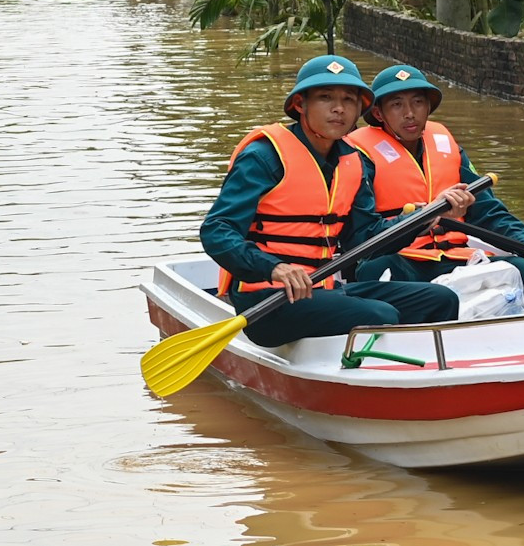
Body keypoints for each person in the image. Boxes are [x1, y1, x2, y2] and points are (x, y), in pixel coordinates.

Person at [199, 55, 478, 349]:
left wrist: (419, 219)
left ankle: (426, 376)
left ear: (360, 108)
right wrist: (275, 267)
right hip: (267, 298)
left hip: (324, 289)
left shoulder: (352, 160)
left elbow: (364, 238)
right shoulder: (264, 156)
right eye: (325, 97)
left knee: (440, 299)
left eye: (349, 99)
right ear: (300, 104)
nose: (338, 108)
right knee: (380, 315)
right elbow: (217, 231)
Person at [349, 63, 524, 299]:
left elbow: (487, 211)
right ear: (379, 114)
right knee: (375, 270)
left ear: (428, 106)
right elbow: (363, 234)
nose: (410, 113)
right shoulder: (360, 155)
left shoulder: (446, 146)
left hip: (454, 257)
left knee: (522, 269)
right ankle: (448, 298)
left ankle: (447, 297)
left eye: (418, 102)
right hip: (403, 260)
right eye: (397, 104)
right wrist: (423, 217)